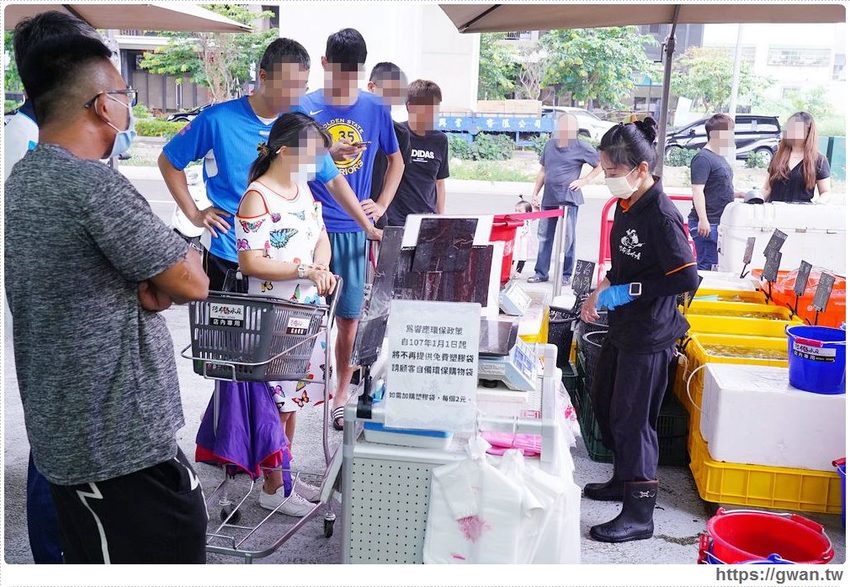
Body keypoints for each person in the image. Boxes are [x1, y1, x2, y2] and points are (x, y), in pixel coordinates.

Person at [6, 34, 210, 563]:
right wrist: (156, 280)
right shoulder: (91, 185)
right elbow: (192, 281)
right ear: (103, 105)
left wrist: (150, 283)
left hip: (72, 433)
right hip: (118, 448)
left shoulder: (24, 178)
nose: (128, 105)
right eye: (125, 93)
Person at [159, 37, 380, 293]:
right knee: (229, 332)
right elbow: (169, 161)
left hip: (285, 263)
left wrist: (368, 227)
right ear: (263, 76)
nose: (296, 95)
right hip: (228, 254)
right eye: (289, 86)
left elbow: (332, 179)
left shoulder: (298, 124)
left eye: (302, 86)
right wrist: (195, 214)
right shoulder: (217, 120)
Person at [4, 11, 104, 566]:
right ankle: (52, 556)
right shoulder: (25, 141)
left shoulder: (39, 140)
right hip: (52, 315)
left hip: (58, 312)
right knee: (55, 444)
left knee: (63, 441)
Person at [580, 119, 698, 544]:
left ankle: (639, 512)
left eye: (612, 173)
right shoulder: (628, 206)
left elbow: (687, 278)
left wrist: (630, 290)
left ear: (641, 170)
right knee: (610, 403)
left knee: (635, 420)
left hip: (650, 333)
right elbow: (626, 263)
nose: (608, 180)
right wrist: (605, 287)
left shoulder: (662, 216)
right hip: (625, 326)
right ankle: (622, 479)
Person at [234, 113, 338, 512]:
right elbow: (251, 262)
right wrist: (304, 270)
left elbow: (321, 236)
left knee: (292, 401)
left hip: (305, 310)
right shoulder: (257, 196)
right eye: (311, 152)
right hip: (273, 316)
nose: (317, 161)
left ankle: (285, 478)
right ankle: (273, 488)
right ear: (283, 151)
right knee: (276, 403)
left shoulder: (302, 188)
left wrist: (321, 267)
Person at [300, 28, 404, 430]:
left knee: (349, 320)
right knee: (301, 318)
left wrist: (380, 204)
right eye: (338, 72)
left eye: (352, 74)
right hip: (308, 229)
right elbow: (288, 161)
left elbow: (397, 162)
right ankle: (295, 393)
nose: (345, 82)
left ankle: (340, 395)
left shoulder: (376, 109)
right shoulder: (304, 106)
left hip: (352, 231)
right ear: (324, 63)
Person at [529, 113, 603, 286]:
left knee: (568, 238)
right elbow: (543, 171)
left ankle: (566, 274)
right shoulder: (549, 145)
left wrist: (584, 181)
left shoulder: (582, 146)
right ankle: (541, 272)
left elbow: (600, 165)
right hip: (549, 200)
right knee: (544, 236)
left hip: (569, 200)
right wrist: (535, 193)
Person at [385, 79, 450, 227]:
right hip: (395, 220)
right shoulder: (396, 134)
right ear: (410, 106)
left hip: (427, 221)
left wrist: (442, 219)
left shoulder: (440, 140)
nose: (432, 111)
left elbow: (439, 182)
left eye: (435, 106)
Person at [688, 114, 746, 270]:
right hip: (709, 223)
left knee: (716, 266)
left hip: (720, 221)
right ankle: (700, 294)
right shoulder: (702, 158)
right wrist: (703, 219)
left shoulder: (719, 157)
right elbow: (697, 190)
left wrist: (738, 194)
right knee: (707, 266)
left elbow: (715, 188)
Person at [367, 62, 412, 216]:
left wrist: (381, 205)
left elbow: (398, 169)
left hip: (377, 215)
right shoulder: (355, 125)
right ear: (372, 88)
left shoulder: (400, 134)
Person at [764, 112, 831, 203]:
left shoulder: (819, 160)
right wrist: (755, 199)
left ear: (808, 132)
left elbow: (825, 192)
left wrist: (818, 203)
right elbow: (767, 189)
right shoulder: (777, 156)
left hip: (800, 214)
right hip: (774, 212)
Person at [513, 199, 534, 276]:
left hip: (524, 241)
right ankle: (510, 271)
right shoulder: (514, 219)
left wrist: (537, 207)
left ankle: (518, 272)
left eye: (520, 211)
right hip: (515, 240)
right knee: (513, 255)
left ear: (527, 212)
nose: (517, 213)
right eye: (516, 210)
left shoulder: (528, 219)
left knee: (523, 256)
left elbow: (538, 215)